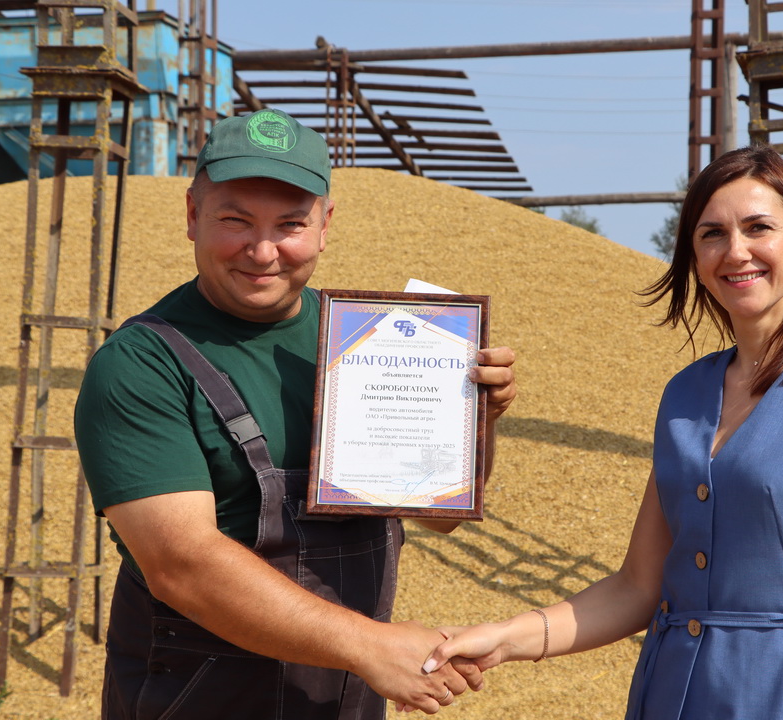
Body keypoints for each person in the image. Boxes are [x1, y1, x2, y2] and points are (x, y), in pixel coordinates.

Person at [423, 145, 783, 719]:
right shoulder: (685, 394)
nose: (735, 251)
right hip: (670, 695)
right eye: (712, 234)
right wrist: (503, 638)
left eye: (758, 227)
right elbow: (637, 587)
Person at [74, 108, 516, 719]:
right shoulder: (141, 364)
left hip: (341, 696)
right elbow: (182, 566)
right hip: (198, 701)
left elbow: (437, 519)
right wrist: (369, 645)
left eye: (290, 225)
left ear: (325, 224)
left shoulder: (366, 341)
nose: (262, 252)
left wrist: (476, 420)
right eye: (235, 221)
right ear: (193, 215)